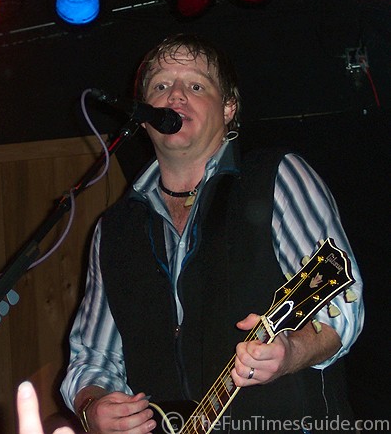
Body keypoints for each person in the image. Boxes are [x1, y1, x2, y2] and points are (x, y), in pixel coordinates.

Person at [61, 33, 364, 433]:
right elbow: (93, 359)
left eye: (196, 85)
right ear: (143, 114)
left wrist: (291, 351)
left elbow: (343, 305)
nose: (176, 95)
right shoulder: (114, 229)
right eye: (161, 85)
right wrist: (93, 409)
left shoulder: (277, 178)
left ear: (228, 109)